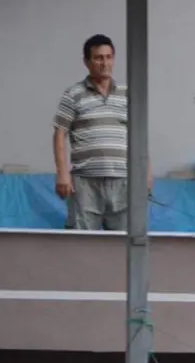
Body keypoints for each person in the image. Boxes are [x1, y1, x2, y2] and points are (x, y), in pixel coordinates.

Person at [52, 34, 150, 231]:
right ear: (86, 62)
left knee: (125, 242)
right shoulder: (73, 94)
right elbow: (59, 134)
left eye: (108, 57)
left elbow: (139, 137)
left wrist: (146, 174)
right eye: (98, 58)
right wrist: (62, 174)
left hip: (124, 181)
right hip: (85, 182)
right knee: (83, 243)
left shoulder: (128, 93)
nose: (104, 63)